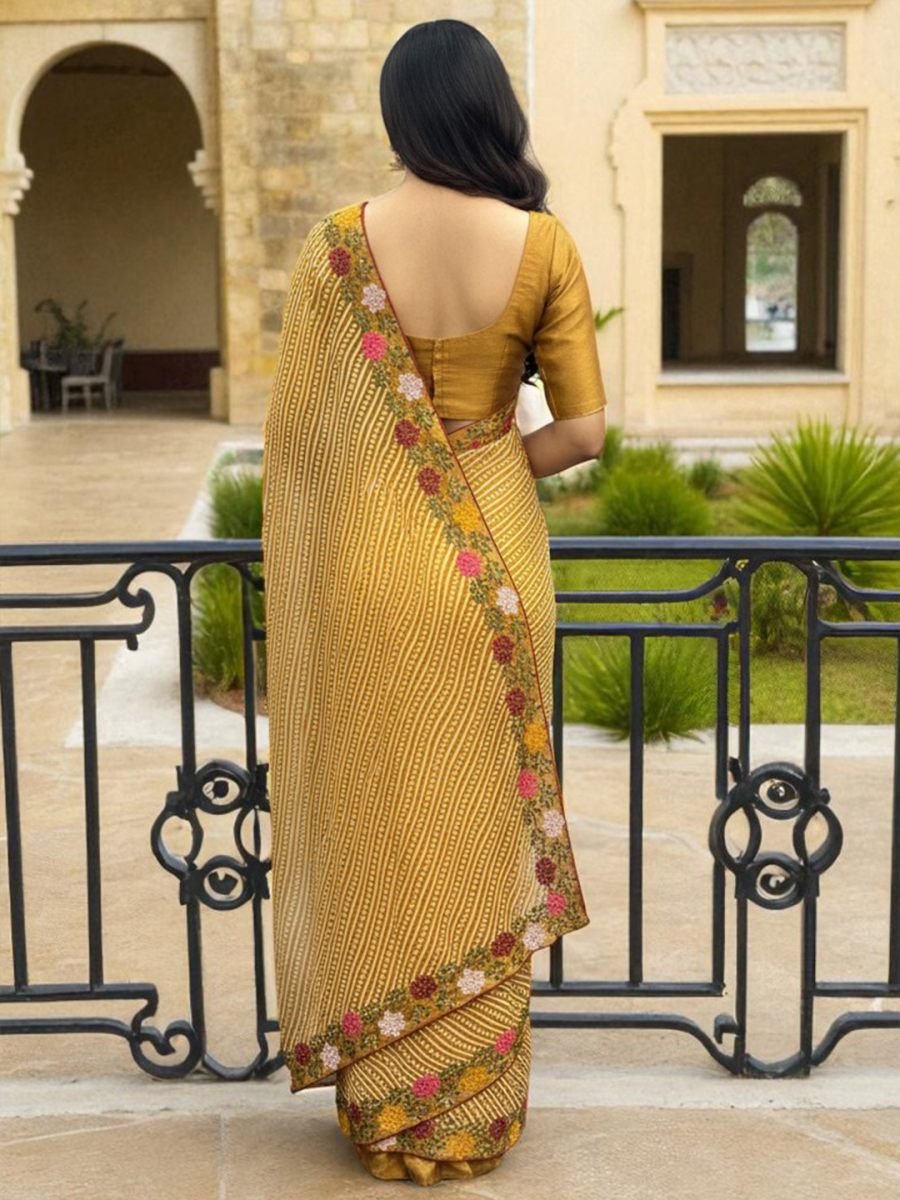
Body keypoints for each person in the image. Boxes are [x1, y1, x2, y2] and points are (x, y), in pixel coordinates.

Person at [261, 17, 607, 1188]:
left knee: (379, 816)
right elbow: (584, 431)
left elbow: (306, 450)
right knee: (481, 822)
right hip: (493, 573)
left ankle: (385, 1109)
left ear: (401, 115)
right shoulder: (541, 242)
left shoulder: (338, 248)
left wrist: (398, 480)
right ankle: (473, 1112)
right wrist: (486, 455)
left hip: (372, 573)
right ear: (492, 106)